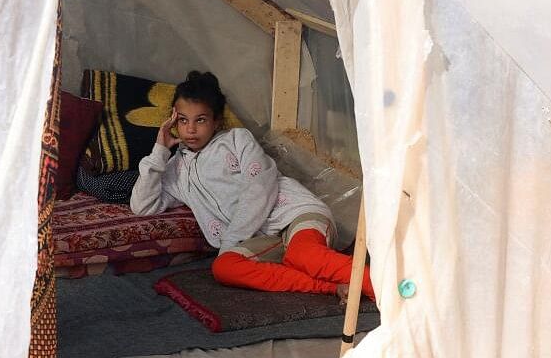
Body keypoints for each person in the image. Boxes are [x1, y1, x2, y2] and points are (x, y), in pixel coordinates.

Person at [130, 71, 374, 299]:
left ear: (216, 121)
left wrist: (230, 241)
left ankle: (392, 288)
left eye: (200, 120)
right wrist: (159, 151)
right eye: (183, 120)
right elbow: (143, 205)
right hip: (263, 240)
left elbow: (260, 186)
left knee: (303, 255)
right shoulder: (176, 171)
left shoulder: (237, 140)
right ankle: (333, 288)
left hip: (296, 215)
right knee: (224, 267)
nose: (190, 129)